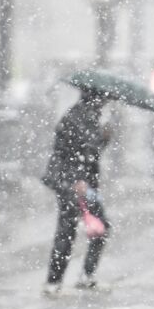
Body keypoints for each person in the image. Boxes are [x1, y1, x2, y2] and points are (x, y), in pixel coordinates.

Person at [40, 89, 115, 295]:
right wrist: (77, 179)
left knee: (87, 228)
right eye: (105, 98)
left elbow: (88, 150)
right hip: (72, 182)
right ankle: (57, 281)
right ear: (96, 98)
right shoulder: (81, 117)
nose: (107, 102)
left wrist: (104, 138)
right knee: (69, 230)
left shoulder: (83, 115)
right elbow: (78, 152)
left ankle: (69, 278)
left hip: (76, 181)